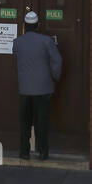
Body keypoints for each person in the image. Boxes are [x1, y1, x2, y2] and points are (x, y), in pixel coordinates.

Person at [12, 10, 62, 160]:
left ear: (24, 25)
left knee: (25, 122)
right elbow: (57, 61)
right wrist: (55, 77)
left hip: (25, 89)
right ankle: (43, 152)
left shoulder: (17, 42)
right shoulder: (47, 41)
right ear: (38, 25)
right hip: (43, 88)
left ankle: (24, 152)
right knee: (41, 122)